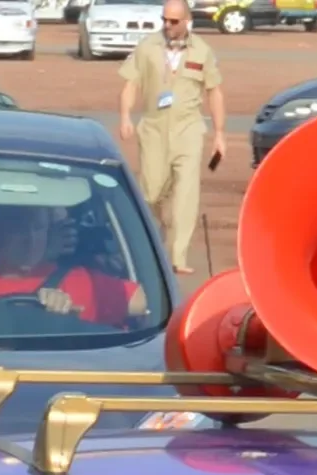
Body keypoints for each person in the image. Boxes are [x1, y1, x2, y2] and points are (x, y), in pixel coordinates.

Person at [118, 0, 226, 276]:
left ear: (187, 20)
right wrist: (125, 116)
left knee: (186, 193)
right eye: (164, 19)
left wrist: (220, 135)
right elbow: (131, 84)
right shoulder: (147, 47)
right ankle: (167, 224)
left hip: (188, 129)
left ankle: (177, 255)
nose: (168, 25)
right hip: (154, 128)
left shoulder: (202, 51)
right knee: (151, 192)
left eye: (174, 21)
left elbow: (214, 92)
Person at [0, 203, 146, 325]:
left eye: (38, 228)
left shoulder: (78, 282)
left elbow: (143, 302)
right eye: (18, 229)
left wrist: (70, 321)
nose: (31, 239)